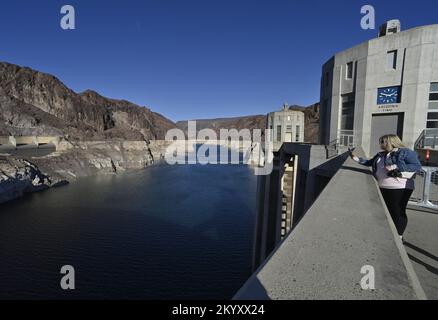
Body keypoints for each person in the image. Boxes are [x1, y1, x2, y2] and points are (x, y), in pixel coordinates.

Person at [350, 134, 422, 241]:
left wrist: (395, 166)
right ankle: (390, 233)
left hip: (400, 187)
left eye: (382, 141)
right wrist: (355, 158)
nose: (380, 144)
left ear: (390, 142)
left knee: (397, 211)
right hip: (383, 186)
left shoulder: (404, 152)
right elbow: (369, 162)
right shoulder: (380, 155)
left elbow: (417, 166)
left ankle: (398, 236)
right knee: (387, 211)